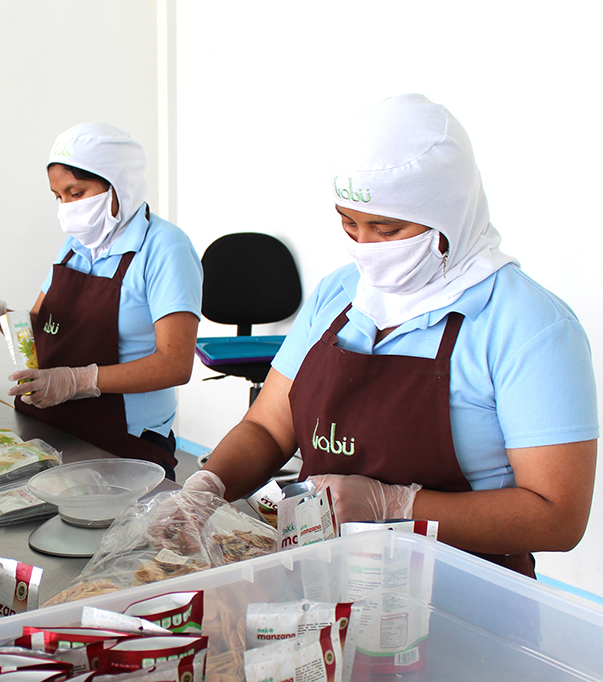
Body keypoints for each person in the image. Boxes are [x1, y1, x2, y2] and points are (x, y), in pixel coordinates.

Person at [184, 94, 598, 577]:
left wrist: (397, 505)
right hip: (321, 582)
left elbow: (557, 516)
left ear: (450, 216)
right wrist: (205, 489)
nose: (365, 248)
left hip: (462, 596)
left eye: (387, 229)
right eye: (349, 224)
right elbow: (268, 427)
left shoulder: (530, 326)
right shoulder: (338, 294)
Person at [0, 123, 202, 479]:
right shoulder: (76, 245)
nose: (67, 208)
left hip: (123, 441)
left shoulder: (166, 248)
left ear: (119, 184)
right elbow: (42, 327)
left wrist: (79, 380)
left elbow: (175, 364)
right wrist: (0, 317)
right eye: (59, 197)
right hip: (54, 427)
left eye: (77, 192)